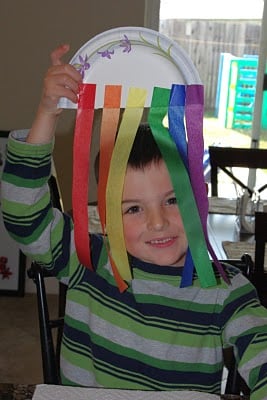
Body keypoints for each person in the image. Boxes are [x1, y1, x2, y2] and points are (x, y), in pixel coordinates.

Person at [2, 44, 267, 399]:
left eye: (172, 201)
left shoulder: (225, 290)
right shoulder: (86, 260)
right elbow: (23, 215)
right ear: (106, 218)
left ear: (200, 200)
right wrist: (48, 112)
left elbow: (260, 346)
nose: (158, 223)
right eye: (133, 209)